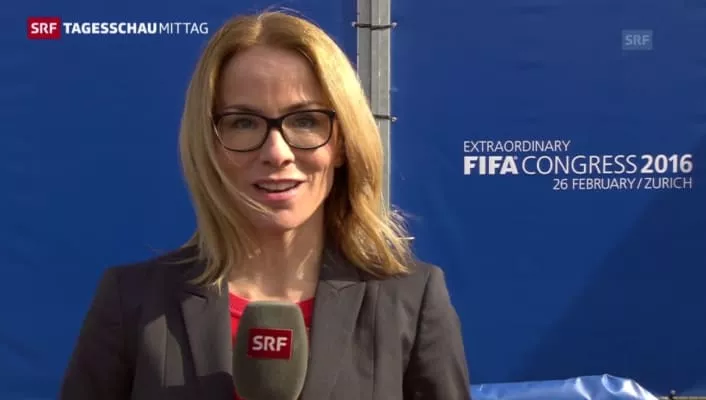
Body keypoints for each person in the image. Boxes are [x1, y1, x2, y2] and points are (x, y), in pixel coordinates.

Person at [59, 10, 471, 400]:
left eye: (306, 120)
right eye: (243, 122)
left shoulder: (410, 301)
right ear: (210, 144)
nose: (277, 152)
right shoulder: (131, 301)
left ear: (343, 143)